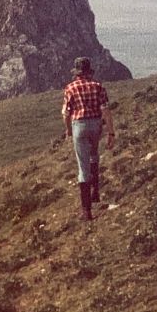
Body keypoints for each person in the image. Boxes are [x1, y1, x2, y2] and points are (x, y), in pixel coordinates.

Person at [62, 57, 115, 221]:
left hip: (79, 126)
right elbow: (105, 110)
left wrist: (68, 130)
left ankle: (86, 211)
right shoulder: (98, 87)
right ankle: (95, 192)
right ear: (89, 72)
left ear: (77, 73)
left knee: (82, 167)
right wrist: (110, 132)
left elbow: (66, 113)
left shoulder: (70, 88)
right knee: (94, 155)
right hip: (96, 125)